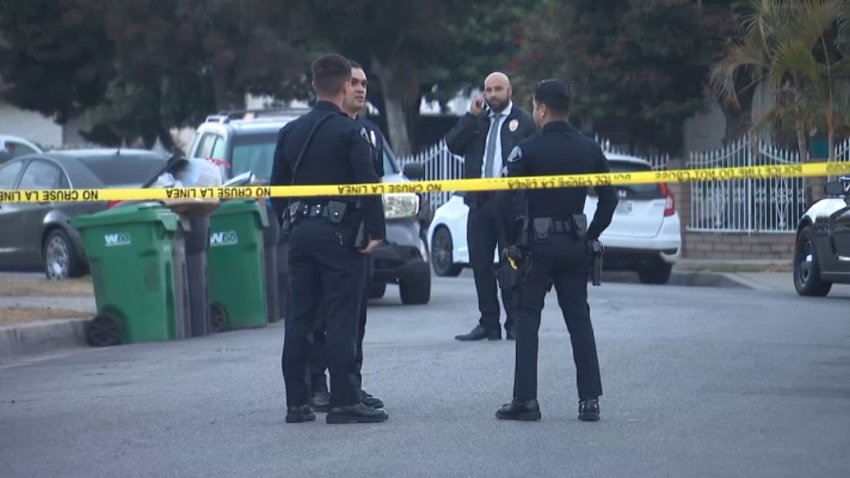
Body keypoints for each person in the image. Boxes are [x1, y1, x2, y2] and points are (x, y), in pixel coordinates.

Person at [270, 53, 388, 424]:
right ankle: (344, 402)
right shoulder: (351, 132)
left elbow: (277, 190)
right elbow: (368, 185)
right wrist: (376, 231)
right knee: (341, 318)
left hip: (301, 233)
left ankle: (297, 404)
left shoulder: (290, 132)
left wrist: (290, 227)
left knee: (300, 319)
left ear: (312, 86)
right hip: (339, 236)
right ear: (342, 88)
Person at [495, 79, 618, 422]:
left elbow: (504, 197)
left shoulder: (527, 149)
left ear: (543, 109)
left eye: (535, 106)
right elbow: (609, 199)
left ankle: (525, 400)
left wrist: (512, 242)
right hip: (575, 245)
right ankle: (589, 400)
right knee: (579, 321)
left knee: (527, 320)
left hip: (537, 245)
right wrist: (591, 234)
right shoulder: (589, 149)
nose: (534, 112)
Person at [308, 60, 385, 413]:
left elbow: (374, 184)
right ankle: (318, 385)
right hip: (328, 233)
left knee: (356, 319)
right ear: (341, 86)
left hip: (358, 236)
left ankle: (351, 386)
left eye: (365, 84)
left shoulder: (370, 132)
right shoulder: (327, 128)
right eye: (353, 82)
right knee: (322, 317)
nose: (360, 89)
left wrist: (374, 229)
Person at [445, 72, 536, 342]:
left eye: (498, 89)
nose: (492, 94)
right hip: (480, 201)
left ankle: (514, 323)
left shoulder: (523, 121)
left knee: (510, 263)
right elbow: (452, 145)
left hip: (511, 203)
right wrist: (470, 118)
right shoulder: (478, 121)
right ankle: (489, 323)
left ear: (510, 91)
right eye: (488, 90)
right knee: (480, 264)